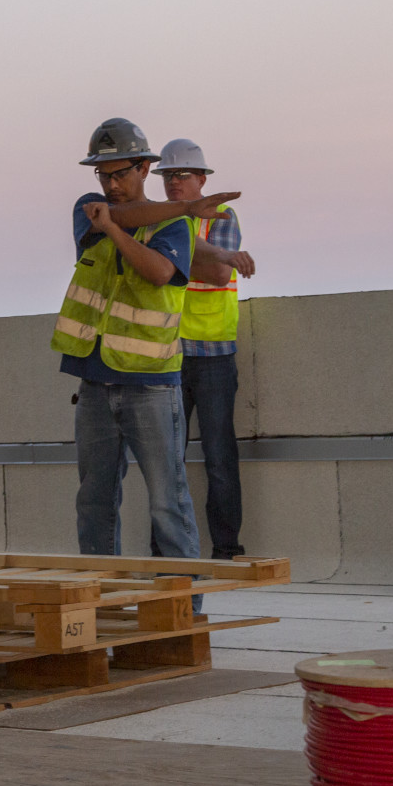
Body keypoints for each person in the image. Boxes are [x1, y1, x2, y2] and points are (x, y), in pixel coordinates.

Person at [51, 119, 233, 561]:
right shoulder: (88, 207)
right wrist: (174, 210)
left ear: (143, 169)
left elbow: (159, 273)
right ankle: (102, 600)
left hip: (151, 385)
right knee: (94, 500)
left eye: (120, 173)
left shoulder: (174, 227)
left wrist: (114, 229)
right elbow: (118, 216)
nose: (110, 185)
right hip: (95, 383)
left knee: (167, 502)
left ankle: (184, 606)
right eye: (103, 174)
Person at [156, 141, 257, 561]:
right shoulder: (158, 218)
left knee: (219, 456)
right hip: (167, 353)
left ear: (202, 179)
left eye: (183, 175)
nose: (174, 182)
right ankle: (167, 553)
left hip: (213, 352)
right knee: (165, 460)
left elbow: (217, 273)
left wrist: (173, 257)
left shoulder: (221, 215)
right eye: (168, 176)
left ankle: (226, 551)